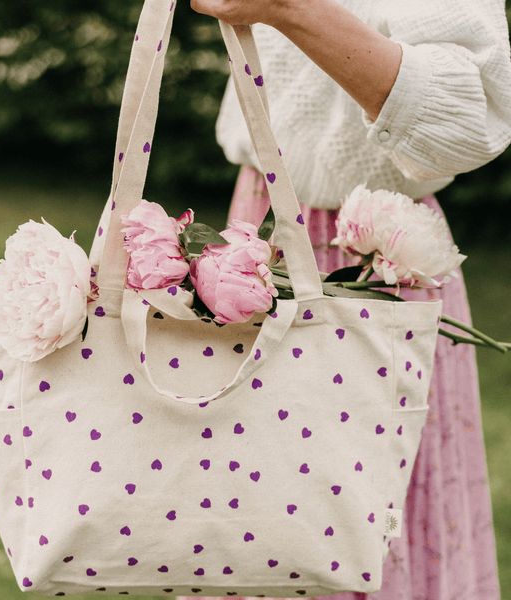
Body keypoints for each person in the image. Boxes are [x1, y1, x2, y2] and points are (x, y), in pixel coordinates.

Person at [180, 0, 511, 599]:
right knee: (256, 518)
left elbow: (468, 120)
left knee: (368, 526)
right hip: (257, 233)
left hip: (374, 254)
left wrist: (285, 7)